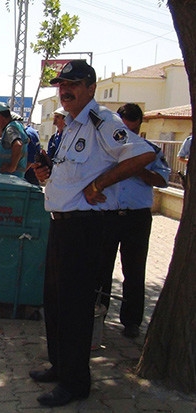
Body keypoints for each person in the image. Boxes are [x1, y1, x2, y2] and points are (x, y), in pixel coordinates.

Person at [30, 60, 155, 407]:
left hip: (86, 227)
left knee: (74, 306)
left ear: (90, 87)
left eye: (72, 83)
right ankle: (59, 365)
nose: (64, 90)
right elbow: (69, 173)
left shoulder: (103, 121)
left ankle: (75, 383)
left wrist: (100, 183)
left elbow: (144, 153)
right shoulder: (69, 125)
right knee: (54, 300)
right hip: (62, 223)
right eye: (61, 84)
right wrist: (46, 175)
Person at [97, 103, 170, 339]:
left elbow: (162, 180)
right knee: (100, 268)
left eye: (132, 129)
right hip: (107, 215)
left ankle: (131, 322)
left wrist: (137, 167)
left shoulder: (151, 151)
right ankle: (98, 314)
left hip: (136, 217)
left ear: (139, 126)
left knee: (134, 270)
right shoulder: (105, 149)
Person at [0, 102, 29, 179]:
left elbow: (18, 145)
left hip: (9, 179)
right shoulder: (18, 125)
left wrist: (11, 167)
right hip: (15, 178)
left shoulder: (10, 129)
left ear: (0, 117)